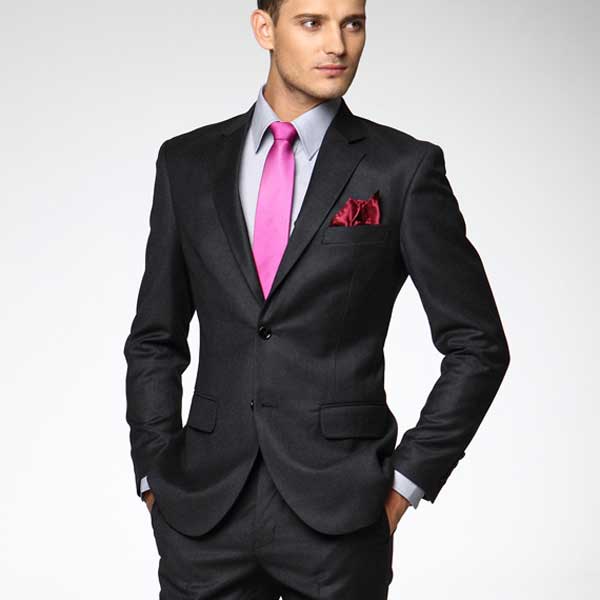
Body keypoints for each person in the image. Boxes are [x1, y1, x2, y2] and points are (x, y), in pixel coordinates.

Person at [124, 1, 510, 597]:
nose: (338, 44)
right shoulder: (186, 163)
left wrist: (405, 484)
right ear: (264, 29)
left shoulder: (402, 168)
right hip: (204, 513)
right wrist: (154, 474)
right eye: (312, 23)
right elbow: (155, 337)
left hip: (340, 517)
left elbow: (478, 346)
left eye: (353, 24)